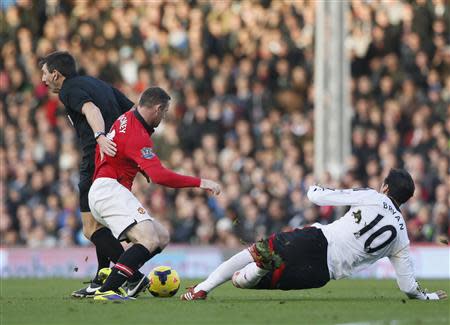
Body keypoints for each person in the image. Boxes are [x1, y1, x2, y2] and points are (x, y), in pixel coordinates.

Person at [181, 169, 447, 301]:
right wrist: (428, 297)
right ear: (407, 200)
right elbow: (408, 287)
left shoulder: (372, 197)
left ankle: (202, 289)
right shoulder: (402, 237)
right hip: (320, 274)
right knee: (245, 282)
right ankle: (261, 268)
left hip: (316, 241)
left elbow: (319, 198)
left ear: (385, 186)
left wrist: (313, 186)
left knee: (249, 258)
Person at [88, 87, 221, 301]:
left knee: (161, 236)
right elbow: (160, 176)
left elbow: (122, 151)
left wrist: (139, 168)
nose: (164, 117)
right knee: (149, 239)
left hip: (104, 189)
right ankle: (107, 290)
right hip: (110, 189)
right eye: (165, 112)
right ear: (158, 109)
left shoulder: (127, 117)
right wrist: (200, 182)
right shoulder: (138, 135)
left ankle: (129, 283)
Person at [39, 51, 145, 298]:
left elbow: (90, 109)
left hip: (96, 158)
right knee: (101, 220)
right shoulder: (98, 83)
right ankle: (103, 277)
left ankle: (134, 277)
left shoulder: (69, 89)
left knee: (90, 228)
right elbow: (133, 113)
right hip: (117, 161)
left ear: (56, 74)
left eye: (44, 74)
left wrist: (100, 136)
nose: (43, 80)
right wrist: (141, 154)